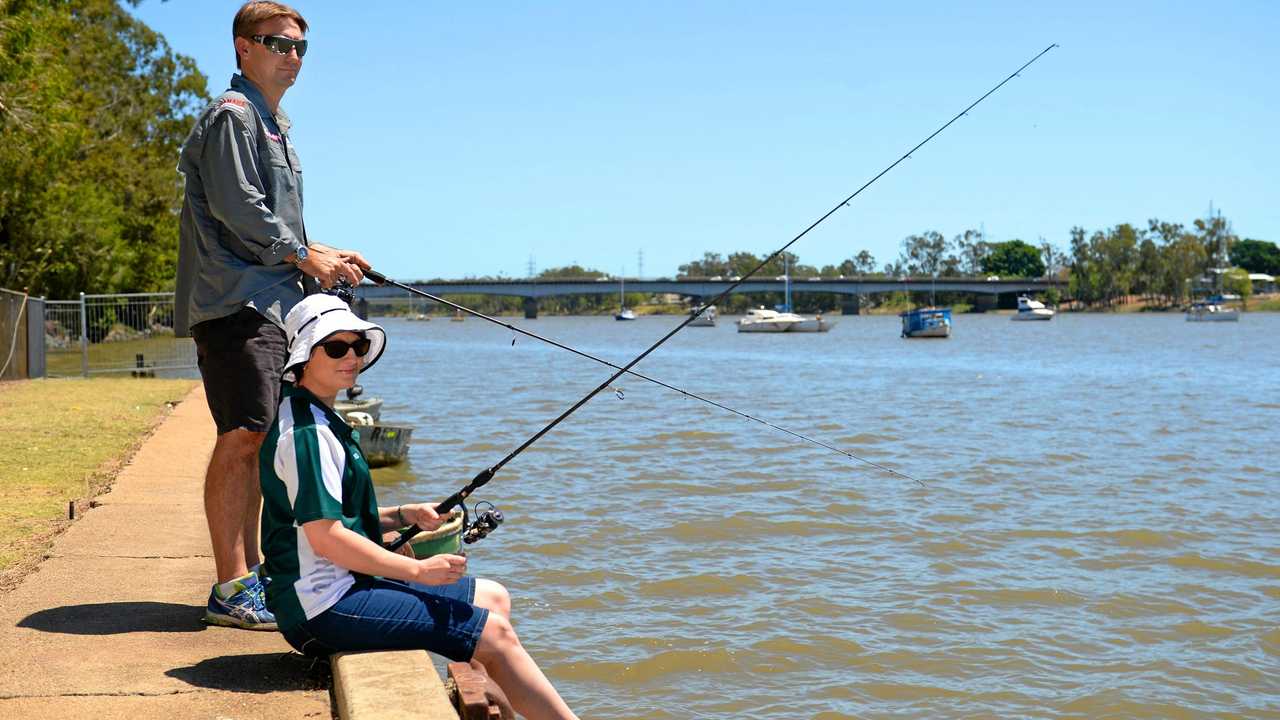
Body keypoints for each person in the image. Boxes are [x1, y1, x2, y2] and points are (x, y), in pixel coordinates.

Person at [261, 294, 580, 720]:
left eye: (357, 345)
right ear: (303, 357)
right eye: (335, 348)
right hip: (321, 607)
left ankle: (500, 701)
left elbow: (328, 517)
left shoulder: (316, 414)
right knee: (498, 634)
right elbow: (326, 538)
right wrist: (417, 571)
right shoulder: (307, 435)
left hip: (343, 584)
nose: (351, 357)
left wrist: (404, 514)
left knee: (494, 599)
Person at [174, 1, 368, 630]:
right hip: (236, 304)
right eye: (277, 43)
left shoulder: (271, 121)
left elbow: (271, 222)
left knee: (257, 439)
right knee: (242, 436)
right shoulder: (234, 117)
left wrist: (325, 251)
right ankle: (231, 588)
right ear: (242, 48)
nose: (291, 57)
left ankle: (252, 575)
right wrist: (306, 255)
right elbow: (240, 212)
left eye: (299, 48)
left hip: (266, 303)